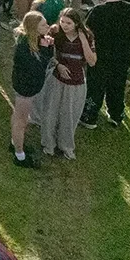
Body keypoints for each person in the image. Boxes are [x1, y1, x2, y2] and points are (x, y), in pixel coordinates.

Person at [82, 0, 130, 127]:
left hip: (101, 55)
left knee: (96, 86)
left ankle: (89, 117)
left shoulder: (98, 11)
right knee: (117, 85)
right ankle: (116, 114)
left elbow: (87, 34)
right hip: (122, 56)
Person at [37, 8, 95, 158]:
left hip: (76, 82)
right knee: (51, 112)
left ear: (77, 23)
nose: (65, 25)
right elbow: (45, 53)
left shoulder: (87, 36)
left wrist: (83, 39)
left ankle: (66, 146)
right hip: (57, 78)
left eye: (69, 23)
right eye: (62, 21)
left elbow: (92, 61)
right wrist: (58, 65)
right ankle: (48, 144)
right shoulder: (55, 32)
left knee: (69, 115)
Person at [9, 10, 49, 167]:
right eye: (44, 24)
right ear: (34, 27)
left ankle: (14, 142)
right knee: (21, 121)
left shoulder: (34, 40)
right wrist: (46, 49)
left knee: (17, 115)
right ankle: (19, 155)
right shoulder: (24, 47)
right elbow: (39, 67)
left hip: (28, 87)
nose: (48, 26)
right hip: (25, 89)